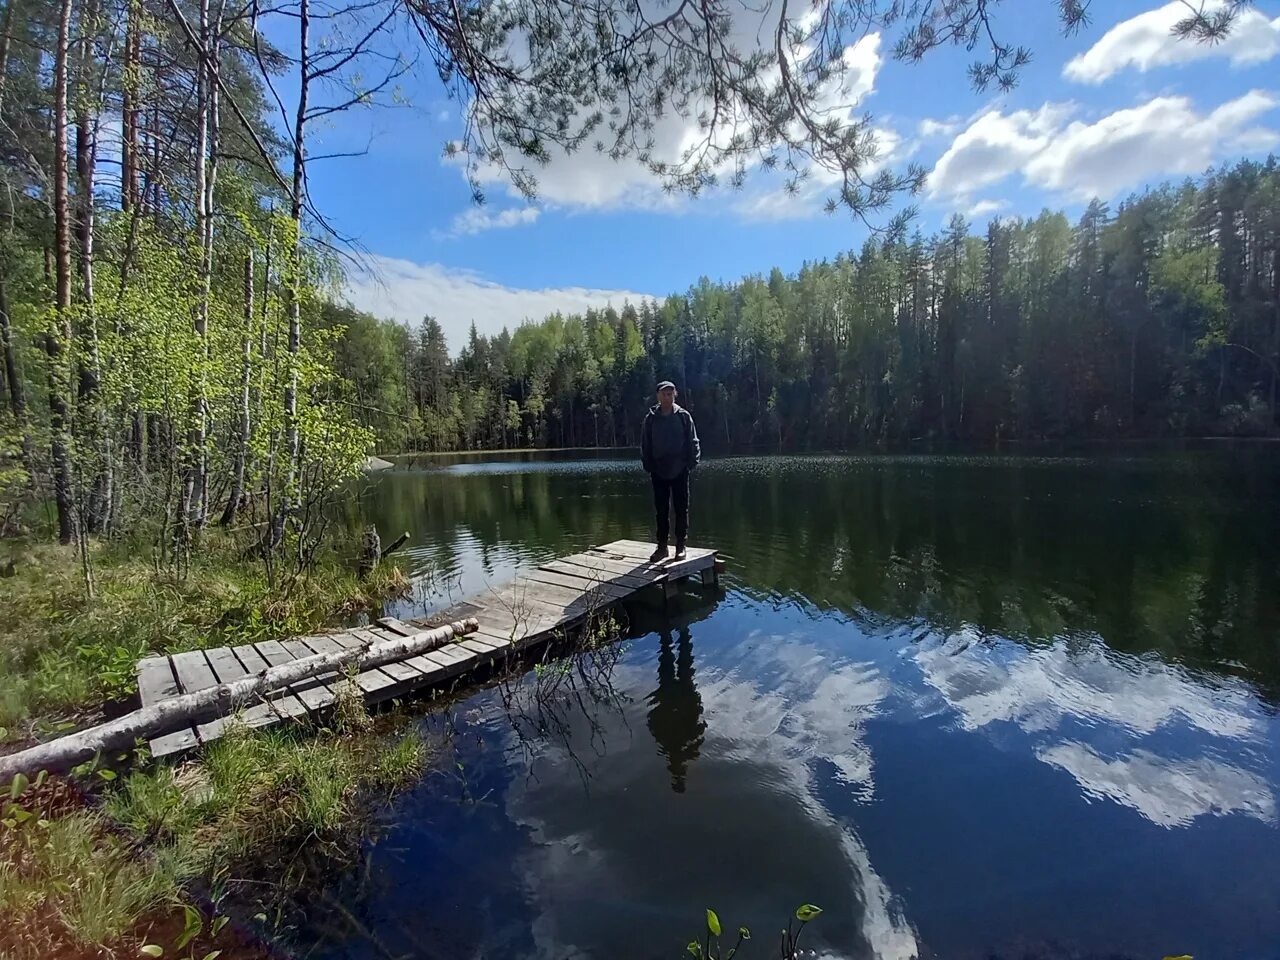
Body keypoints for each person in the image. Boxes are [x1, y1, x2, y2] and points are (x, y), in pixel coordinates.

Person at [640, 380, 700, 562]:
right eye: (663, 394)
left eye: (670, 394)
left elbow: (693, 440)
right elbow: (645, 444)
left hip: (680, 469)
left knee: (681, 509)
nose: (667, 397)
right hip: (658, 471)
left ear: (674, 395)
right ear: (658, 396)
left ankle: (681, 546)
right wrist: (648, 464)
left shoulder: (683, 416)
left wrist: (691, 462)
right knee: (661, 510)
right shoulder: (650, 419)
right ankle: (662, 547)